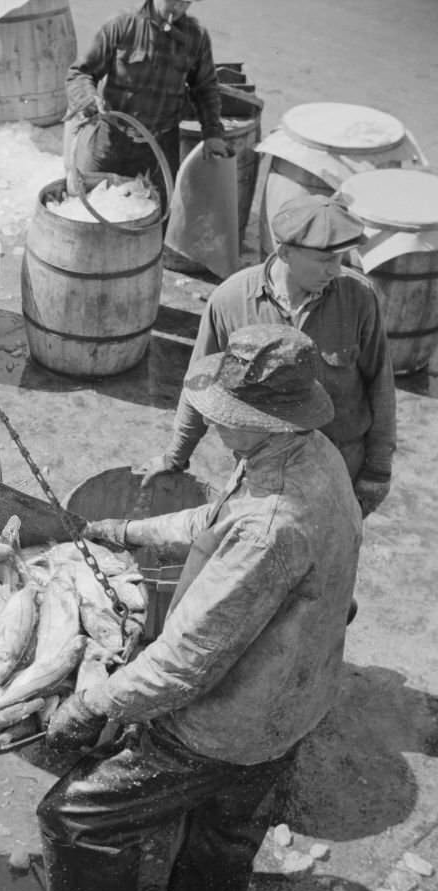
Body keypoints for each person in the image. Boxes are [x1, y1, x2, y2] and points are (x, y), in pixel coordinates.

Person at [14, 324, 362, 891]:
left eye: (230, 417)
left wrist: (92, 701)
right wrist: (124, 533)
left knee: (77, 818)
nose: (218, 426)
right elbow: (216, 521)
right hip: (291, 706)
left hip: (227, 723)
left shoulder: (275, 524)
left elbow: (183, 666)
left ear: (263, 422)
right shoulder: (309, 454)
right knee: (225, 835)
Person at [138, 193, 397, 518]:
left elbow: (381, 385)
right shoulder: (230, 301)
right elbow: (200, 385)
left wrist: (377, 470)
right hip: (260, 470)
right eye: (324, 260)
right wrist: (174, 457)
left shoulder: (360, 297)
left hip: (341, 462)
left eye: (341, 257)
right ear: (285, 251)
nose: (335, 270)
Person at [63, 0, 229, 210]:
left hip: (161, 145)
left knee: (159, 214)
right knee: (92, 207)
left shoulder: (196, 37)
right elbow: (81, 72)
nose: (177, 8)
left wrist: (212, 133)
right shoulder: (122, 25)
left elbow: (205, 89)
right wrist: (88, 99)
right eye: (172, 0)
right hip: (111, 140)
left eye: (185, 2)